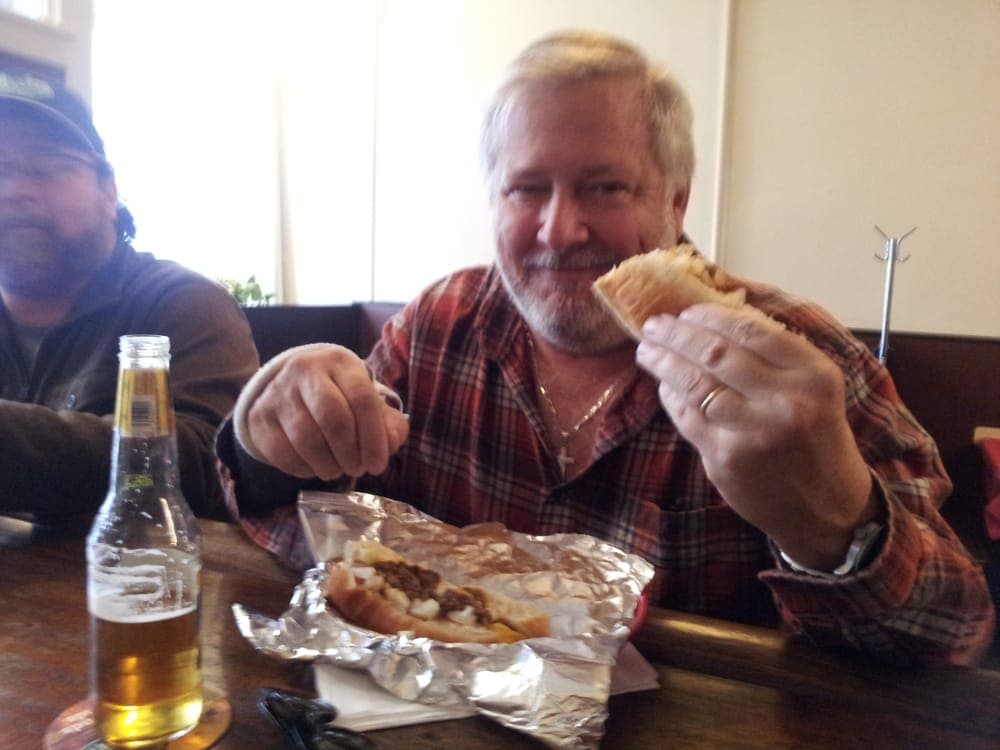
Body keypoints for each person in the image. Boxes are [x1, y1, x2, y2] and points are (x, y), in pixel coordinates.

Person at [215, 31, 994, 665]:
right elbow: (316, 522)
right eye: (528, 189)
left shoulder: (800, 361)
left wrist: (833, 527)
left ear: (675, 199)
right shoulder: (439, 325)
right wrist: (268, 439)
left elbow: (955, 634)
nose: (561, 229)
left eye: (605, 187)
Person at [0, 72, 259, 524]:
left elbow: (211, 467)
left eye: (49, 167)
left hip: (136, 587)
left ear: (108, 189)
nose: (16, 190)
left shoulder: (184, 304)